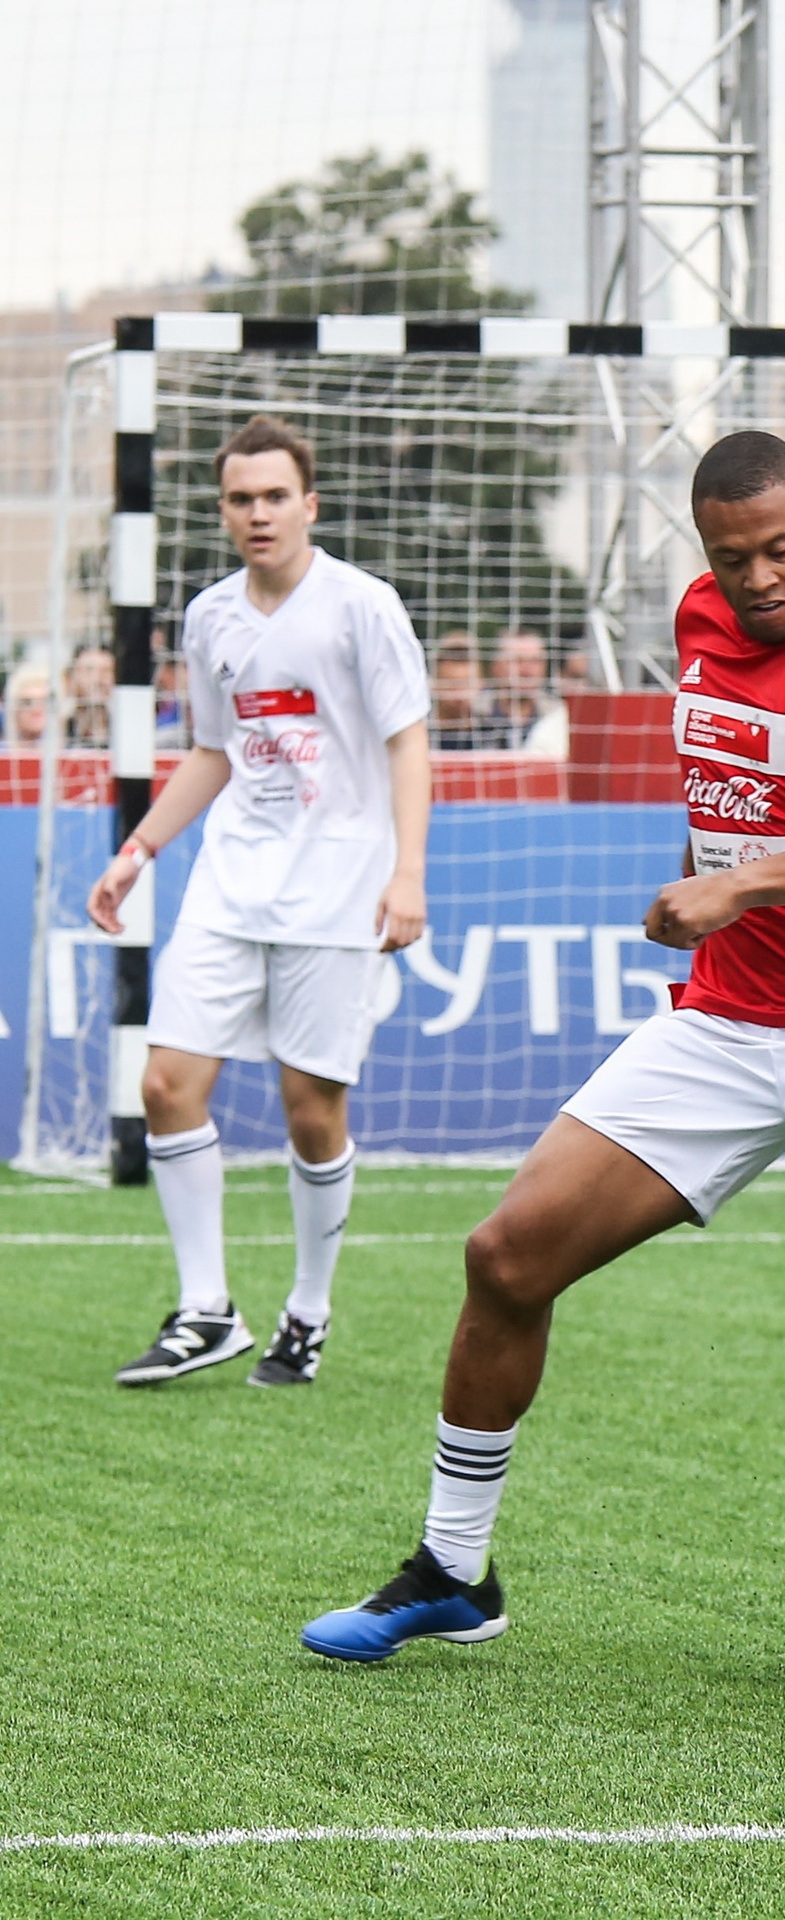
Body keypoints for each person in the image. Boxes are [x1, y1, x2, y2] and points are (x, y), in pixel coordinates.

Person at [298, 432, 785, 1665]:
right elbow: (733, 787)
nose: (759, 577)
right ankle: (453, 1571)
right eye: (732, 556)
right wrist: (711, 884)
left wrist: (747, 888)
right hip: (722, 1015)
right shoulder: (701, 615)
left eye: (781, 548)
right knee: (505, 1256)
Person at [89, 414, 430, 1389]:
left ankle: (308, 1313)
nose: (257, 513)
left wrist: (407, 874)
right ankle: (207, 1309)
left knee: (309, 1109)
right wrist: (140, 850)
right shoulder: (210, 618)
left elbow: (409, 742)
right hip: (231, 883)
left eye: (275, 496)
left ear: (308, 504)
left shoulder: (362, 607)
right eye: (241, 498)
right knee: (164, 1087)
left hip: (340, 891)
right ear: (224, 509)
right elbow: (213, 751)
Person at [488, 631, 568, 758]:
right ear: (496, 667)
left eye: (535, 661)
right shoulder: (471, 713)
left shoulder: (559, 717)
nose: (527, 670)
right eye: (517, 660)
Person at [427, 637, 509, 751]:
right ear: (434, 685)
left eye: (467, 684)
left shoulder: (494, 733)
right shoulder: (419, 733)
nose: (459, 694)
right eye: (451, 685)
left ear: (481, 684)